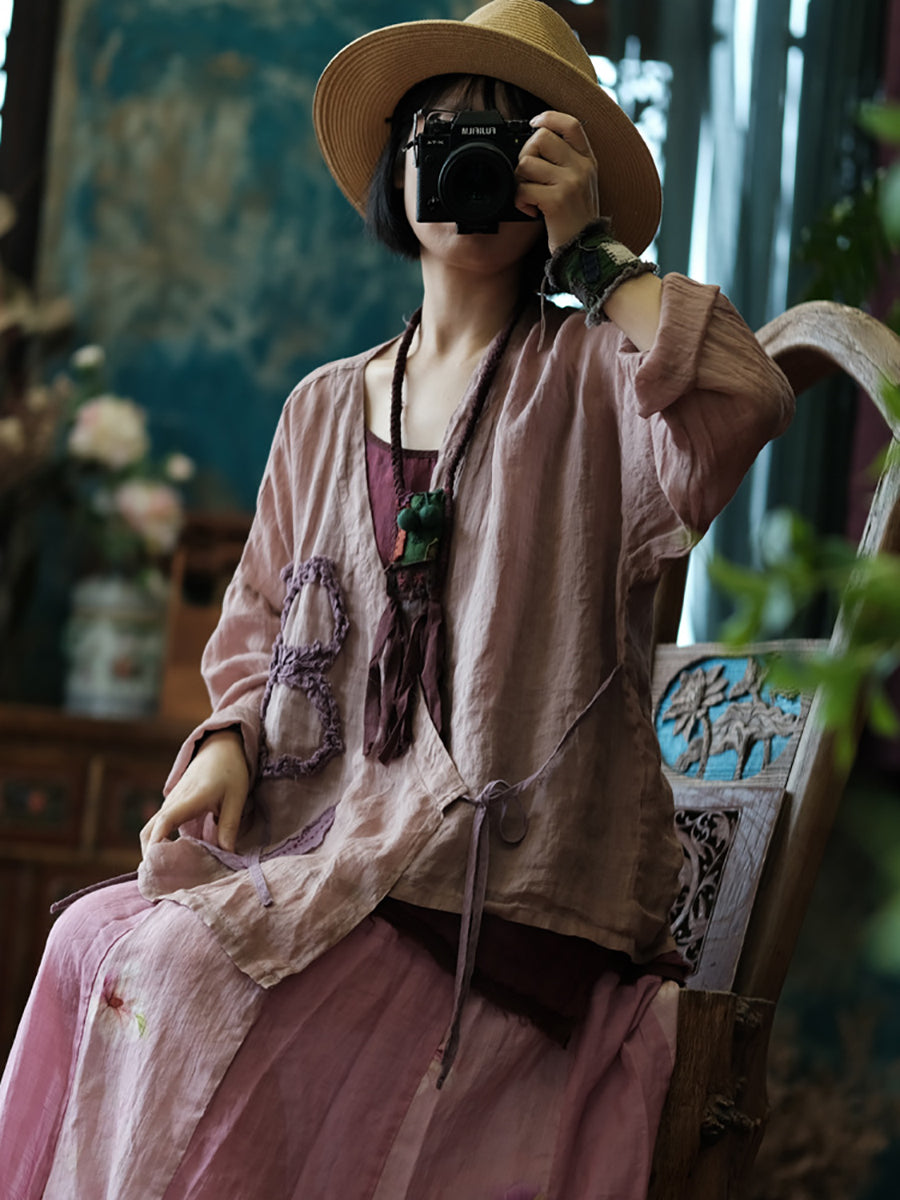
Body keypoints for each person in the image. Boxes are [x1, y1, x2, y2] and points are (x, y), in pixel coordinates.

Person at [0, 1, 795, 1196]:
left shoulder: (597, 381)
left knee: (175, 977)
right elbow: (256, 624)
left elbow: (746, 399)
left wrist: (594, 258)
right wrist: (225, 746)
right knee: (81, 943)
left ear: (553, 176)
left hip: (498, 902)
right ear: (396, 170)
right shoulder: (324, 406)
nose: (467, 162)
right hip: (328, 858)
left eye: (508, 141)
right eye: (440, 134)